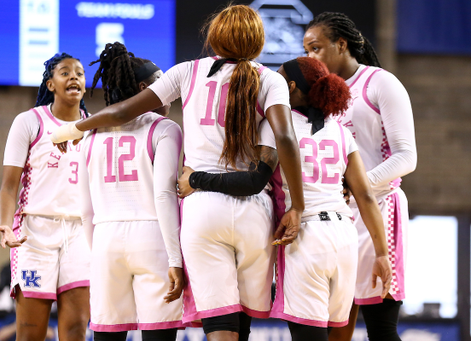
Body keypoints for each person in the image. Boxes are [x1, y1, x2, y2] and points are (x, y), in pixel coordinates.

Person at [51, 5, 305, 341]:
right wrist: (297, 206)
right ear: (258, 41)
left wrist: (75, 128)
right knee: (242, 321)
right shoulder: (270, 79)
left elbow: (125, 110)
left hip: (201, 207)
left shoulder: (188, 71)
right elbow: (285, 137)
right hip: (252, 207)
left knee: (219, 322)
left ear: (214, 36)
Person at [178, 56, 392, 341]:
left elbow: (254, 179)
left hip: (305, 235)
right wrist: (381, 254)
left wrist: (196, 179)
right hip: (345, 235)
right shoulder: (341, 132)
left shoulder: (276, 124)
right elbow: (364, 195)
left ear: (288, 86)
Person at [303, 12, 417, 341]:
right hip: (334, 216)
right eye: (306, 50)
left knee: (381, 328)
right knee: (335, 329)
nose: (311, 57)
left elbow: (407, 156)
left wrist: (358, 185)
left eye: (316, 48)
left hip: (379, 210)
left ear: (341, 44)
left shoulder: (380, 82)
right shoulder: (317, 97)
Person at [78, 42, 184, 341]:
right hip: (153, 237)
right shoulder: (164, 128)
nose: (171, 94)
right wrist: (175, 259)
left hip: (104, 239)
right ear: (144, 87)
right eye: (162, 84)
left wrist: (94, 253)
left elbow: (85, 210)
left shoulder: (90, 134)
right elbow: (164, 196)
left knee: (108, 335)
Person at [0, 53, 91, 341]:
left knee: (76, 329)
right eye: (65, 72)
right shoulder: (29, 121)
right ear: (50, 84)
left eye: (79, 73)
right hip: (34, 233)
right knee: (30, 332)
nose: (74, 76)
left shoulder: (93, 126)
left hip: (78, 233)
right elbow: (8, 187)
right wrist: (6, 225)